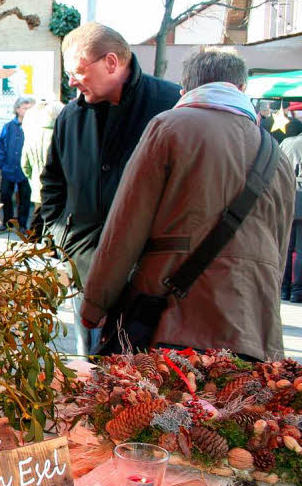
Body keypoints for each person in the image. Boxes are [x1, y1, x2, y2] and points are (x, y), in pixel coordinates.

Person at [79, 48, 292, 361]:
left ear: (185, 88)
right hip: (252, 328)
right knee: (235, 409)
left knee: (167, 409)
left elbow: (126, 225)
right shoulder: (276, 155)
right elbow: (279, 248)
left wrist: (95, 304)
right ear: (241, 90)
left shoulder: (170, 127)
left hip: (174, 320)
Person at [40, 22, 180, 356]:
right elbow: (53, 182)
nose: (71, 81)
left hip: (150, 280)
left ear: (112, 63)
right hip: (84, 267)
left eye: (78, 71)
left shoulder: (172, 104)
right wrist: (61, 236)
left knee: (144, 383)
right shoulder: (70, 116)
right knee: (91, 373)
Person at [0, 96, 34, 230]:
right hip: (9, 168)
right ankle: (7, 222)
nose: (27, 111)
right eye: (25, 108)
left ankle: (22, 224)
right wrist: (1, 164)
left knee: (24, 197)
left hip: (25, 170)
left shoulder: (33, 126)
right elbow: (0, 145)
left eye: (30, 109)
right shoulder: (8, 127)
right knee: (5, 194)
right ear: (17, 109)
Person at [278, 119, 302, 301]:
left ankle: (283, 288)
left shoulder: (286, 142)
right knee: (300, 248)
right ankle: (296, 291)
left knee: (286, 246)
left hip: (285, 196)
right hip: (300, 196)